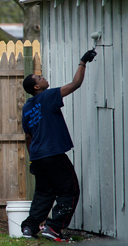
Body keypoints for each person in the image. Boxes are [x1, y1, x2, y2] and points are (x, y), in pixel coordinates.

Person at [20, 49, 97, 241]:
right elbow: (75, 84)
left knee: (44, 192)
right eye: (39, 77)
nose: (43, 77)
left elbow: (28, 136)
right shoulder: (48, 96)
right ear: (36, 87)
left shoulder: (28, 107)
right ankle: (53, 228)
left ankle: (29, 228)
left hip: (37, 156)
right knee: (69, 189)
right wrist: (83, 62)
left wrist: (32, 160)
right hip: (52, 154)